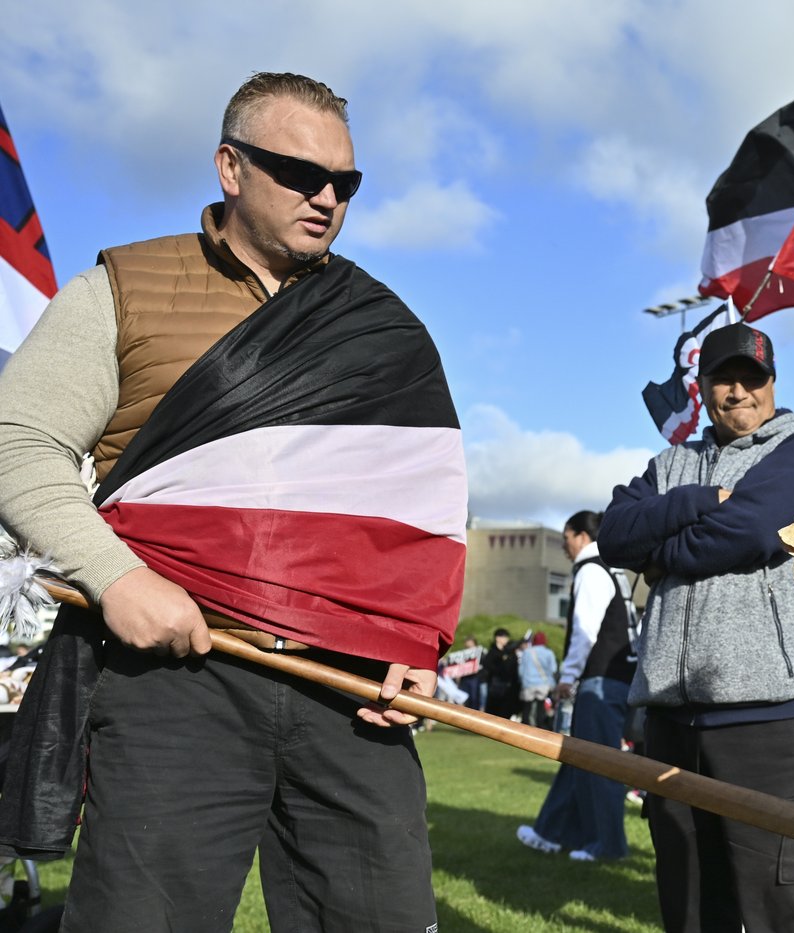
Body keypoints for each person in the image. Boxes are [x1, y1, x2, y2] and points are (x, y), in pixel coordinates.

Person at [0, 73, 466, 931]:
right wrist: (116, 578)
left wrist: (417, 636)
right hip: (176, 679)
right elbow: (17, 442)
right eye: (299, 172)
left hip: (348, 689)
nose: (326, 197)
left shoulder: (382, 328)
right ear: (230, 165)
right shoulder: (124, 289)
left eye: (346, 183)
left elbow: (418, 500)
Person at [597, 322, 794, 933]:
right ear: (701, 387)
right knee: (690, 905)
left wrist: (659, 552)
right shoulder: (670, 463)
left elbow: (751, 532)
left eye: (752, 379)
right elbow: (614, 533)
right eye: (724, 379)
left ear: (773, 384)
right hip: (670, 720)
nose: (738, 392)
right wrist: (695, 500)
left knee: (781, 906)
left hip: (767, 716)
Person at [517, 509, 638, 861]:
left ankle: (608, 846)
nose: (565, 546)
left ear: (581, 536)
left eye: (566, 537)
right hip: (616, 678)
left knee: (599, 766)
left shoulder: (591, 569)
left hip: (600, 680)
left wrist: (568, 676)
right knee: (580, 759)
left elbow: (585, 630)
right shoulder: (612, 568)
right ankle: (551, 832)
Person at [518, 631, 558, 728]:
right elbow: (554, 669)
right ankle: (540, 730)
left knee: (527, 708)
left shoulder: (527, 652)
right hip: (543, 684)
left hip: (528, 683)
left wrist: (522, 681)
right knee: (541, 708)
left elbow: (521, 670)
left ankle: (524, 729)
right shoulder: (549, 653)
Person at [482, 626, 521, 720]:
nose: (506, 639)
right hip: (495, 686)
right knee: (493, 710)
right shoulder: (492, 652)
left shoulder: (510, 652)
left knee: (505, 711)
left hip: (509, 687)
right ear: (497, 638)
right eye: (504, 637)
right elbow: (488, 666)